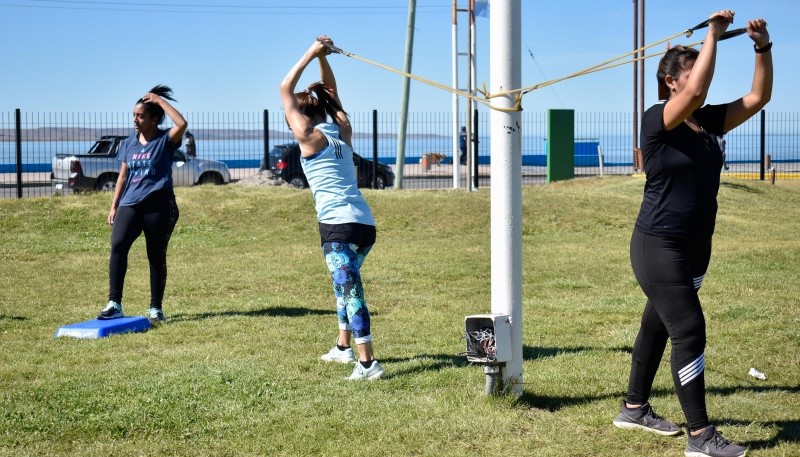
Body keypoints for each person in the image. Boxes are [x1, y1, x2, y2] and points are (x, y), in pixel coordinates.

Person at [613, 11, 771, 457]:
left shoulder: (707, 124)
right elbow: (698, 87)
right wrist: (712, 36)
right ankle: (700, 438)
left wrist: (763, 46)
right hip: (658, 243)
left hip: (695, 247)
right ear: (670, 83)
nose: (702, 74)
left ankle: (633, 407)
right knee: (688, 329)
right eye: (694, 66)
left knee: (658, 325)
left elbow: (758, 96)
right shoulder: (656, 120)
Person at [279, 36, 384, 381]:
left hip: (338, 228)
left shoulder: (309, 136)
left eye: (291, 112)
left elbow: (284, 87)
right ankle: (343, 348)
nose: (287, 116)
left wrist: (311, 52)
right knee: (343, 286)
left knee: (351, 291)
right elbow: (332, 93)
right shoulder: (342, 132)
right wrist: (326, 58)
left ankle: (367, 363)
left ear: (302, 115)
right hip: (362, 226)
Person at [96, 85, 187, 325]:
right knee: (118, 246)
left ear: (154, 118)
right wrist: (114, 206)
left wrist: (159, 100)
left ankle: (156, 308)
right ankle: (114, 304)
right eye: (133, 115)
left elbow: (182, 124)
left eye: (141, 116)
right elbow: (123, 177)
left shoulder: (165, 139)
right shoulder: (128, 144)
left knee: (155, 255)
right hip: (130, 204)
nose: (135, 120)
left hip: (159, 204)